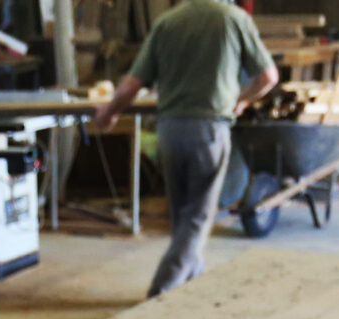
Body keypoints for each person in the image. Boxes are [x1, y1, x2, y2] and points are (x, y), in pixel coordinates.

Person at [90, 0, 277, 298]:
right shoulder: (233, 18)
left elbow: (131, 85)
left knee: (182, 218)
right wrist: (240, 100)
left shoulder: (168, 22)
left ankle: (192, 284)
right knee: (197, 218)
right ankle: (162, 290)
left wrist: (110, 112)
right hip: (208, 130)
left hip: (170, 130)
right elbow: (268, 77)